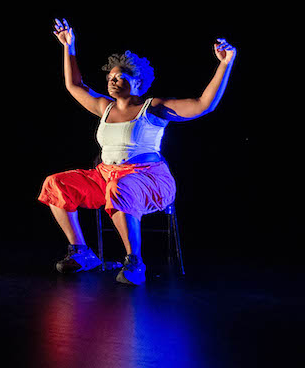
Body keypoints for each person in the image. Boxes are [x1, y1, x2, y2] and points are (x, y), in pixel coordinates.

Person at [38, 18, 236, 285]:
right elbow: (74, 85)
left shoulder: (151, 108)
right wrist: (68, 47)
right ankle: (82, 252)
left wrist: (225, 63)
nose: (113, 81)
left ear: (138, 82)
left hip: (148, 179)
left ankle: (135, 261)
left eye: (121, 77)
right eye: (110, 77)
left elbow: (203, 104)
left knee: (120, 187)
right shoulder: (104, 107)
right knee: (56, 183)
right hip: (106, 176)